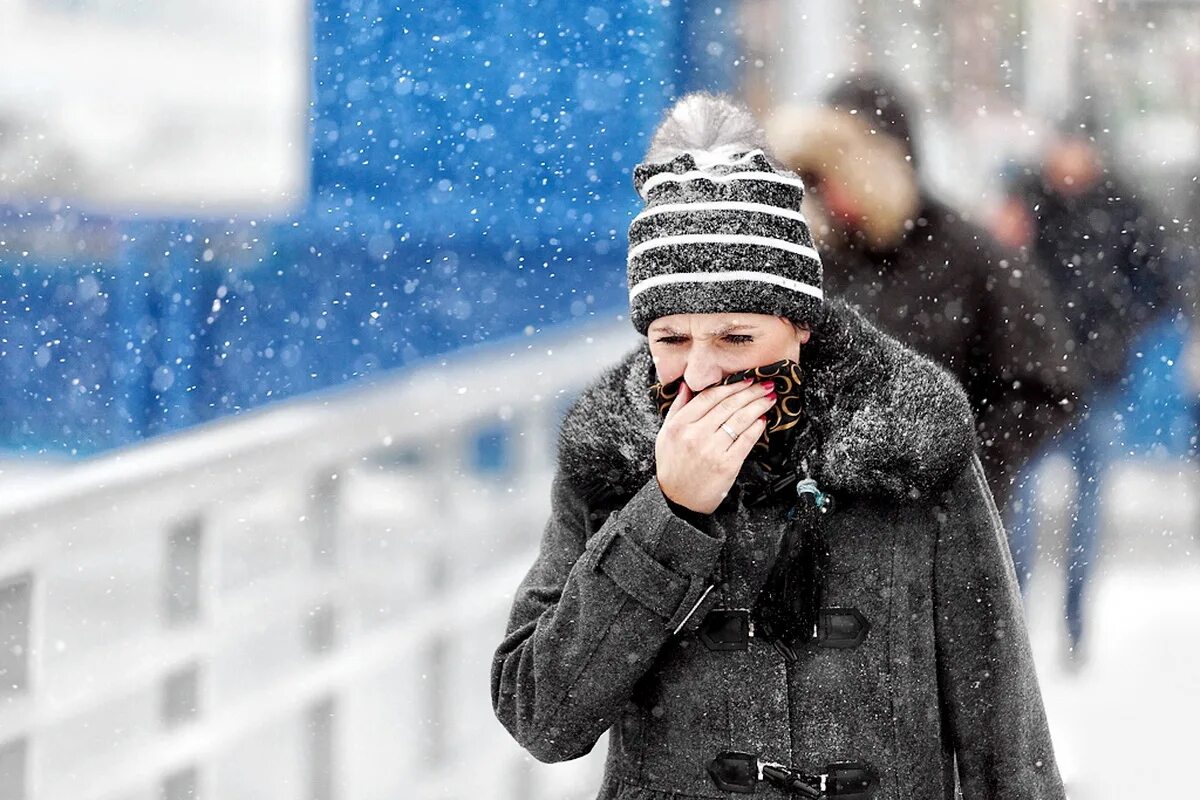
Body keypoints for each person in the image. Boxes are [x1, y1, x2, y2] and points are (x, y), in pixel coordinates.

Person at [491, 92, 1065, 799]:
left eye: (736, 337)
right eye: (671, 339)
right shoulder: (616, 452)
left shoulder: (912, 440)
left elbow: (1002, 732)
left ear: (800, 327)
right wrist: (665, 516)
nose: (700, 373)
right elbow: (541, 717)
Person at [764, 72, 1084, 518]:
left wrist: (962, 469)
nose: (827, 193)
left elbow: (1048, 385)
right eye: (816, 178)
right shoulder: (806, 254)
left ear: (885, 167)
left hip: (944, 542)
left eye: (838, 174)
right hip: (819, 537)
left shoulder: (971, 256)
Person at [993, 113, 1176, 661]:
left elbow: (1164, 280)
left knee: (1087, 504)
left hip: (1096, 380)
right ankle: (1016, 623)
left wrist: (1119, 331)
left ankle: (1074, 624)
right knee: (1017, 505)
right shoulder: (1026, 201)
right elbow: (996, 272)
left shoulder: (1123, 206)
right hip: (1033, 382)